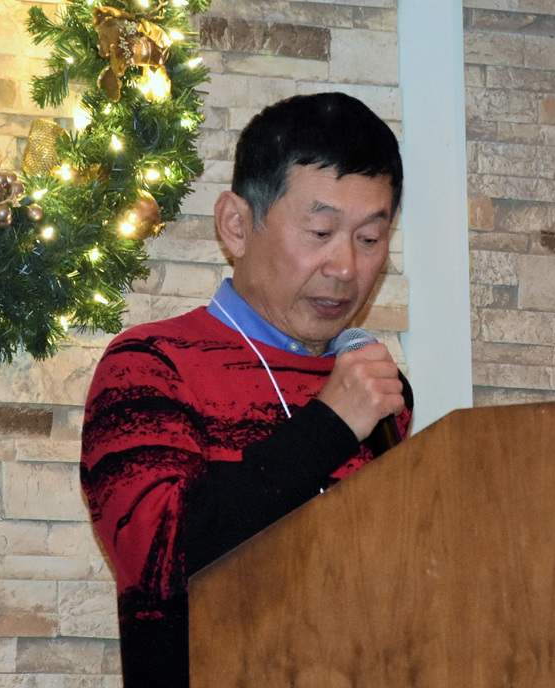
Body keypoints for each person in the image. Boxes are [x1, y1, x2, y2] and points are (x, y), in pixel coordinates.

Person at [80, 92, 412, 687]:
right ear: (236, 225)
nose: (345, 268)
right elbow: (158, 560)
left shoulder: (377, 390)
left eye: (369, 239)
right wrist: (329, 427)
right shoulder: (149, 366)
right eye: (320, 231)